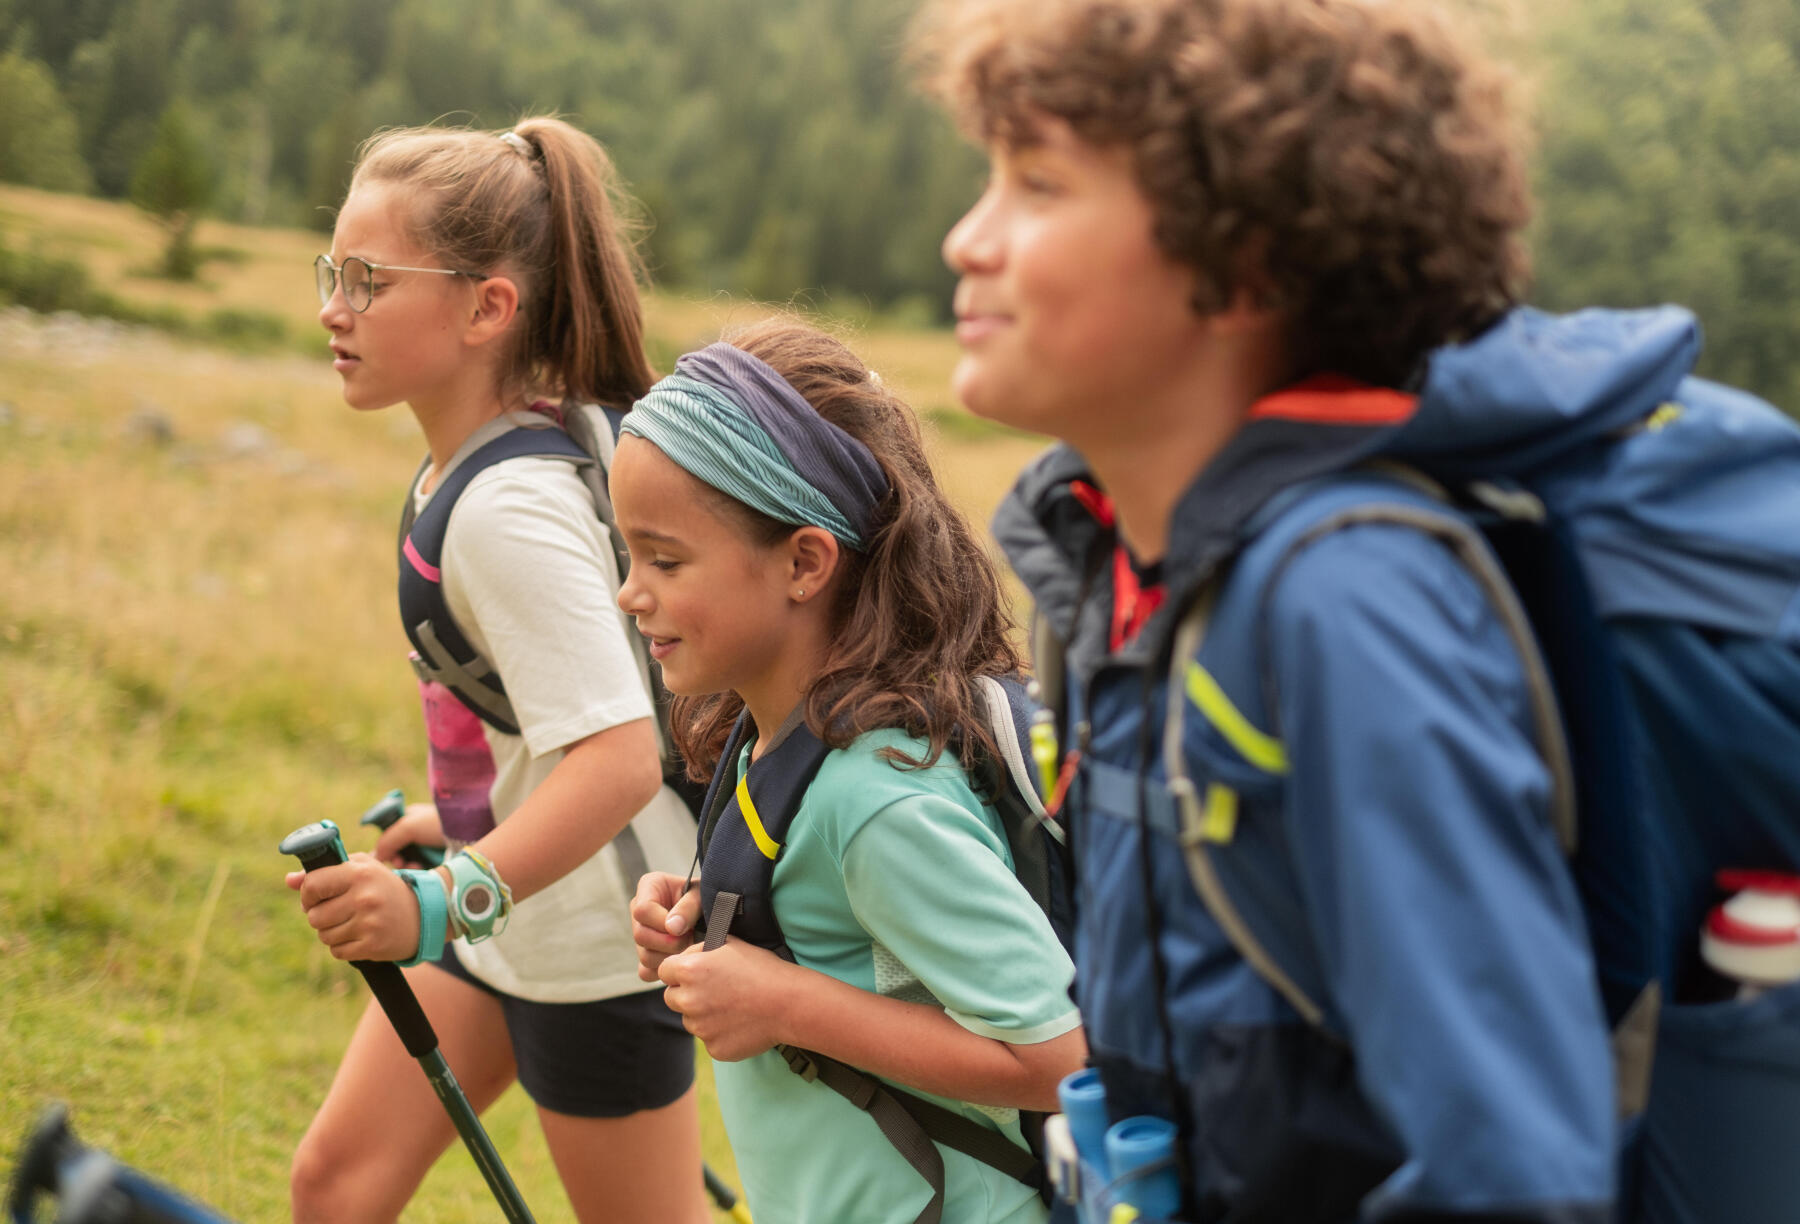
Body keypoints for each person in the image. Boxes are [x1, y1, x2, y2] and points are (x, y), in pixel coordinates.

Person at [918, 1, 1659, 1220]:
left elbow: (1512, 1169)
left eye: (1038, 184)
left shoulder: (1347, 605)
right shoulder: (1109, 571)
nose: (967, 239)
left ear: (1246, 264)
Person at [285, 118, 708, 1224]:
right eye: (334, 271)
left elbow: (616, 759)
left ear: (487, 307)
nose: (335, 306)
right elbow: (561, 714)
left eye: (371, 280)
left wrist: (436, 904)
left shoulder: (506, 507)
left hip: (595, 946)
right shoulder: (487, 452)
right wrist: (459, 821)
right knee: (337, 1186)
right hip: (506, 907)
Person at [621, 320, 1088, 1224]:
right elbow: (840, 935)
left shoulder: (874, 796)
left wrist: (786, 1003)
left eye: (665, 560)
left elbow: (1058, 1059)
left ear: (804, 562)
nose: (630, 591)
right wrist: (701, 920)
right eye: (630, 553)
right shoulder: (774, 734)